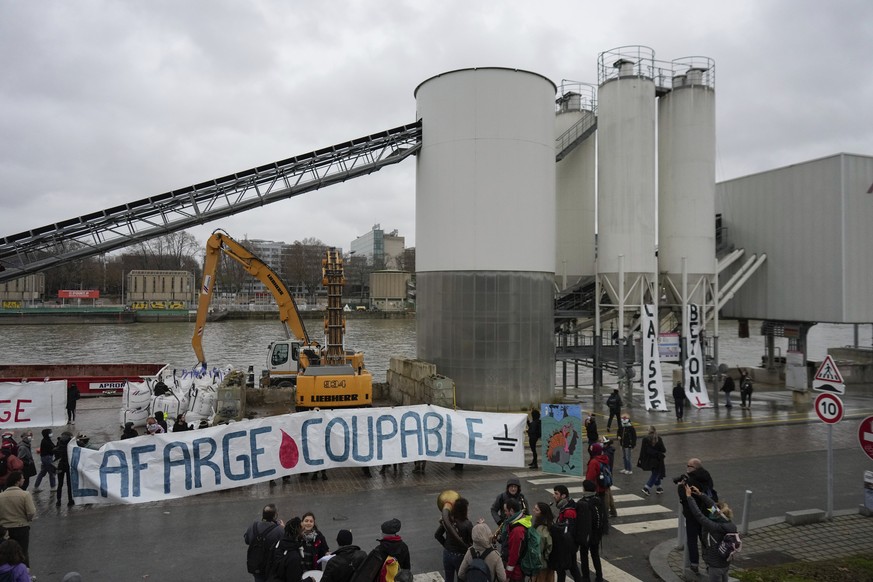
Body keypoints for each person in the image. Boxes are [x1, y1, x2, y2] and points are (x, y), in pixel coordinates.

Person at [682, 484, 737, 582]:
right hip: (725, 563)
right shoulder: (730, 524)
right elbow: (713, 507)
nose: (713, 512)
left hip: (715, 566)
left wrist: (689, 497)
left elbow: (698, 514)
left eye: (715, 511)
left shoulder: (715, 527)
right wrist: (700, 494)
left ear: (718, 515)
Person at [675, 458, 717, 575]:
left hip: (693, 514)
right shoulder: (706, 475)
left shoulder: (690, 480)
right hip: (706, 513)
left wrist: (680, 486)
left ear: (694, 467)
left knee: (692, 540)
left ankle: (694, 564)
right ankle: (710, 563)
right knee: (705, 540)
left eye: (689, 465)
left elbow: (684, 497)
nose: (687, 467)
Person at [0, 472, 36, 567]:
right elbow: (31, 512)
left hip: (5, 529)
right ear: (17, 481)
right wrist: (27, 519)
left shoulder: (1, 496)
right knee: (23, 552)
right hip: (21, 527)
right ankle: (24, 574)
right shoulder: (25, 495)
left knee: (7, 553)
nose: (23, 480)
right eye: (22, 478)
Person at [435, 497, 473, 582]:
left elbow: (437, 535)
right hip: (461, 556)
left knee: (448, 578)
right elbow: (473, 541)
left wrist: (446, 545)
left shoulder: (449, 521)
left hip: (447, 554)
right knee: (461, 578)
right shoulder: (467, 524)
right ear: (464, 510)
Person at [244, 503, 285, 582]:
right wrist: (283, 529)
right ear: (275, 516)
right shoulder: (279, 531)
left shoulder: (253, 526)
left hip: (256, 565)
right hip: (271, 568)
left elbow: (247, 540)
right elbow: (285, 545)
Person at [551, 485, 583, 582]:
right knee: (569, 568)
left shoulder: (569, 511)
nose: (553, 495)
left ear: (563, 496)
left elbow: (569, 530)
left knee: (566, 568)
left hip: (567, 545)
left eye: (556, 493)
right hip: (567, 544)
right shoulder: (565, 506)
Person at [577, 480, 605, 582]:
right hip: (596, 534)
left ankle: (586, 577)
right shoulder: (598, 500)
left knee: (584, 556)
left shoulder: (582, 502)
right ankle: (599, 576)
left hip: (586, 535)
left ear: (585, 489)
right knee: (595, 555)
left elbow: (579, 521)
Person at [266, 517, 305, 582]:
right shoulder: (294, 557)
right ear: (297, 533)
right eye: (303, 530)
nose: (304, 532)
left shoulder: (277, 544)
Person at [500, 498, 528, 582]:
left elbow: (514, 554)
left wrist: (507, 574)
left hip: (515, 573)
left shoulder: (517, 531)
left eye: (506, 511)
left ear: (511, 511)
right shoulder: (519, 520)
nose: (505, 513)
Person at [638, 426, 666, 496]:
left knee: (655, 473)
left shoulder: (645, 439)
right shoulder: (658, 438)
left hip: (649, 459)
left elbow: (643, 450)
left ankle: (659, 488)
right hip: (657, 459)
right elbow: (663, 449)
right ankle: (646, 487)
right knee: (656, 474)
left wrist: (641, 459)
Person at [530, 502, 553, 582]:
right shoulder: (550, 523)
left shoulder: (540, 530)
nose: (533, 511)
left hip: (541, 565)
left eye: (536, 510)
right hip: (549, 564)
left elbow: (538, 551)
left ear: (542, 513)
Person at [54, 431, 75, 506]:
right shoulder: (70, 444)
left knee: (60, 484)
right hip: (68, 466)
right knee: (69, 484)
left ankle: (58, 501)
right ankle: (70, 500)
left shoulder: (58, 443)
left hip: (59, 466)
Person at [32, 429, 56, 493]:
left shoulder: (46, 440)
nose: (51, 434)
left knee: (42, 472)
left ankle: (36, 487)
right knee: (52, 472)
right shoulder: (46, 441)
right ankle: (53, 486)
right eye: (50, 432)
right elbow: (52, 449)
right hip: (47, 458)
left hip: (44, 458)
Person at [600, 438, 618, 517]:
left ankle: (606, 512)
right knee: (609, 493)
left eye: (602, 443)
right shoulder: (609, 451)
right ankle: (613, 510)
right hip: (608, 474)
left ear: (606, 444)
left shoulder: (607, 453)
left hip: (606, 474)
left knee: (606, 494)